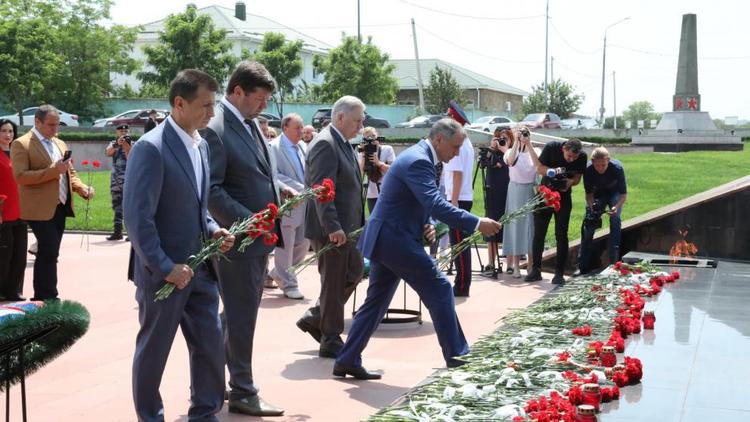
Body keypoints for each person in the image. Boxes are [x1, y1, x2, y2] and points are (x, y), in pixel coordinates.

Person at [333, 118, 502, 379]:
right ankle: (458, 356)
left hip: (390, 238)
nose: (457, 153)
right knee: (441, 287)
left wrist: (428, 222)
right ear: (439, 140)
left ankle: (347, 358)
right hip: (393, 239)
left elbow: (421, 202)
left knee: (376, 301)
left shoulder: (424, 158)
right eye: (455, 147)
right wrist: (477, 222)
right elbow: (435, 202)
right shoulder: (419, 160)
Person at [125, 69, 235, 422]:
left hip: (200, 270)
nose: (212, 113)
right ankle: (150, 417)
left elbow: (197, 207)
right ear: (179, 103)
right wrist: (165, 267)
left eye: (214, 104)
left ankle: (204, 413)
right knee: (154, 352)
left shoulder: (200, 145)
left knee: (209, 345)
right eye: (205, 105)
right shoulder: (150, 149)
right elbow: (138, 220)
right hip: (164, 274)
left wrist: (214, 228)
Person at [201, 61, 288, 417]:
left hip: (257, 238)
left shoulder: (249, 125)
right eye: (260, 98)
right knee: (241, 319)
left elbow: (254, 174)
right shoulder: (217, 129)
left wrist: (276, 190)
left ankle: (212, 381)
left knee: (235, 316)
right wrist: (248, 220)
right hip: (238, 241)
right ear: (237, 91)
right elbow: (212, 189)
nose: (264, 105)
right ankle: (242, 390)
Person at [297, 95, 365, 359]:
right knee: (334, 283)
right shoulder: (325, 143)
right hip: (333, 229)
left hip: (346, 227)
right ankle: (331, 338)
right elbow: (320, 191)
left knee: (354, 272)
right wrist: (332, 227)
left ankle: (317, 317)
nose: (361, 126)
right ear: (340, 118)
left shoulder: (343, 142)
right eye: (357, 120)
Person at [11, 105, 94, 301]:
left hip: (61, 205)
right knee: (48, 249)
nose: (55, 129)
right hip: (38, 208)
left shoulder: (60, 143)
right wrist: (53, 171)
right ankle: (46, 296)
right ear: (37, 122)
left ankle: (45, 294)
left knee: (51, 251)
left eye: (57, 125)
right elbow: (21, 177)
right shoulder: (21, 144)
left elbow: (69, 172)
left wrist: (80, 187)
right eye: (50, 125)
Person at [525, 138, 587, 285]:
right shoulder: (551, 147)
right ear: (563, 148)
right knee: (539, 233)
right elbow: (539, 167)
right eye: (569, 156)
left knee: (561, 233)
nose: (571, 160)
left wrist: (570, 182)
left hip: (564, 196)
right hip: (545, 193)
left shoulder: (582, 157)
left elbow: (578, 177)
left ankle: (559, 273)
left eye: (574, 157)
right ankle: (536, 270)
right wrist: (551, 172)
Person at [268, 113, 309, 300]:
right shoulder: (274, 147)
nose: (301, 131)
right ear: (285, 128)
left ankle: (276, 274)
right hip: (288, 203)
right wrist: (295, 188)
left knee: (304, 242)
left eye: (302, 127)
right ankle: (289, 283)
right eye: (297, 128)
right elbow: (273, 175)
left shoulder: (302, 146)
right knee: (286, 245)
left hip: (306, 202)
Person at [577, 147, 627, 275]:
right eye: (597, 165)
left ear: (608, 160)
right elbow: (588, 194)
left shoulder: (617, 169)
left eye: (603, 164)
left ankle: (613, 262)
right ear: (592, 162)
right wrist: (591, 206)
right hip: (598, 193)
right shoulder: (588, 170)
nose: (600, 168)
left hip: (614, 192)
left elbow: (623, 195)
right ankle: (583, 265)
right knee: (589, 223)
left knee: (615, 219)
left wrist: (616, 207)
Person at [502, 127, 540, 279]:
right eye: (521, 133)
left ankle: (531, 264)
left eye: (526, 133)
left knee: (530, 227)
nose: (523, 136)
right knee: (516, 226)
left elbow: (537, 165)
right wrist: (517, 143)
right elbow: (510, 161)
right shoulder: (510, 151)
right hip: (515, 190)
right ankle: (515, 265)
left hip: (530, 190)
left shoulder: (535, 150)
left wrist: (528, 144)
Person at [443, 126, 475, 296]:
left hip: (457, 199)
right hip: (463, 197)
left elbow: (457, 174)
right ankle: (462, 282)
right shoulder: (467, 143)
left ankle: (462, 285)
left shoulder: (458, 143)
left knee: (459, 244)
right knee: (461, 243)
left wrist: (453, 202)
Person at [0, 119, 27, 301]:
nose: (7, 135)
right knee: (4, 255)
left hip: (22, 211)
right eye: (3, 131)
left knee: (19, 254)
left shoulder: (18, 153)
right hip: (3, 212)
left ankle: (14, 290)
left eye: (10, 131)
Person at [480, 127, 511, 278]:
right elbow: (483, 164)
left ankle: (510, 263)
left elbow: (507, 165)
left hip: (507, 191)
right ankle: (491, 261)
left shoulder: (511, 154)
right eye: (499, 138)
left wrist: (504, 151)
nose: (501, 141)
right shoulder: (491, 152)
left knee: (508, 225)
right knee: (491, 225)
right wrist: (491, 149)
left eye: (505, 138)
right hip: (492, 191)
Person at [104, 123, 132, 241]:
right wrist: (117, 144)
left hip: (128, 179)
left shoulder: (134, 144)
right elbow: (108, 153)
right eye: (121, 132)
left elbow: (131, 156)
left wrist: (126, 146)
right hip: (116, 179)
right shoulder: (113, 143)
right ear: (117, 133)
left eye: (126, 132)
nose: (124, 134)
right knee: (116, 205)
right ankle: (117, 232)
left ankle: (131, 234)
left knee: (129, 206)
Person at [358, 126, 395, 213]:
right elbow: (360, 173)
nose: (371, 139)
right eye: (368, 137)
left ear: (377, 136)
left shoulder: (387, 149)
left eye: (373, 136)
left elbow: (393, 171)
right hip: (371, 193)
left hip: (387, 191)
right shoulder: (362, 151)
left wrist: (378, 163)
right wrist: (364, 156)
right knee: (374, 219)